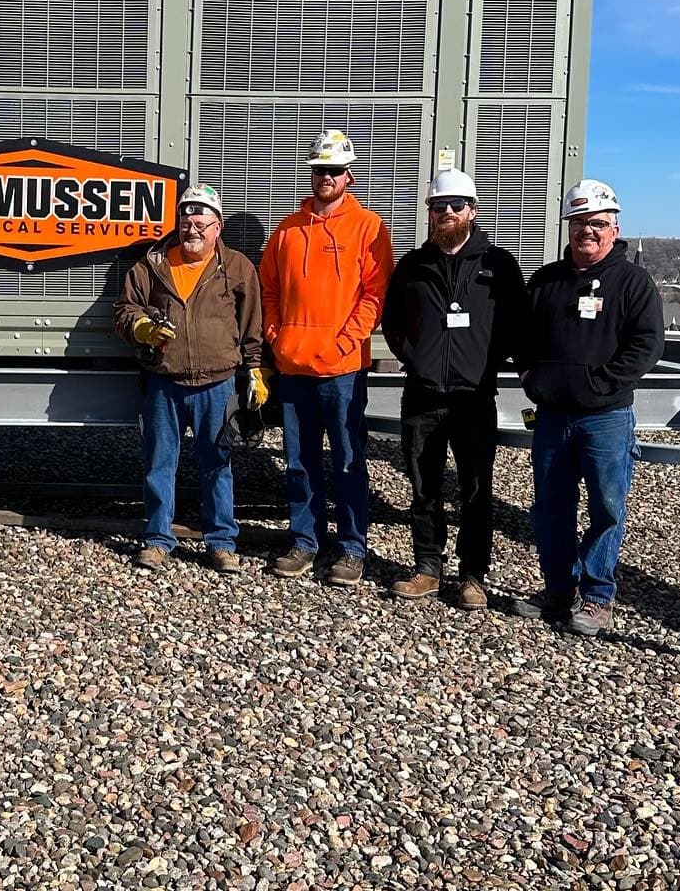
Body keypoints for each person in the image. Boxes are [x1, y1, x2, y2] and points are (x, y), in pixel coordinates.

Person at [515, 179, 663, 637]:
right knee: (550, 508)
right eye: (579, 223)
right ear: (569, 228)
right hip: (552, 416)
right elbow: (522, 337)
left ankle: (597, 597)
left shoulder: (633, 282)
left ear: (614, 229)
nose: (588, 232)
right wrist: (530, 378)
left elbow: (647, 345)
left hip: (606, 418)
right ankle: (557, 590)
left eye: (598, 223)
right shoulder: (546, 281)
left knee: (606, 508)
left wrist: (602, 384)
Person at [381, 169, 528, 610]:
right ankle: (427, 566)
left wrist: (485, 366)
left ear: (472, 209)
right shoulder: (412, 265)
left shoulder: (499, 265)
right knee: (424, 486)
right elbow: (393, 323)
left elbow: (514, 325)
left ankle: (472, 576)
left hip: (474, 398)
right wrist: (417, 358)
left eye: (455, 205)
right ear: (429, 213)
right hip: (423, 395)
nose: (446, 213)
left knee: (475, 489)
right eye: (438, 206)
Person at [259, 130, 393, 585]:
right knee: (299, 461)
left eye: (334, 171)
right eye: (319, 170)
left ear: (348, 175)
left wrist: (343, 343)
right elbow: (269, 290)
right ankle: (305, 541)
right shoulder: (287, 229)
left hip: (342, 370)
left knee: (349, 460)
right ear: (311, 173)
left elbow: (375, 296)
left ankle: (352, 548)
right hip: (294, 365)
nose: (326, 177)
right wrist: (276, 335)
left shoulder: (369, 228)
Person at [113, 184, 266, 572]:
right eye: (186, 222)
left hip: (218, 383)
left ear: (217, 228)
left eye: (201, 222)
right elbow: (124, 310)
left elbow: (252, 326)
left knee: (218, 463)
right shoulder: (152, 265)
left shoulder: (237, 268)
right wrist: (142, 327)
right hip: (165, 382)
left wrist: (256, 370)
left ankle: (220, 542)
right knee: (159, 464)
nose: (192, 230)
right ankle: (158, 539)